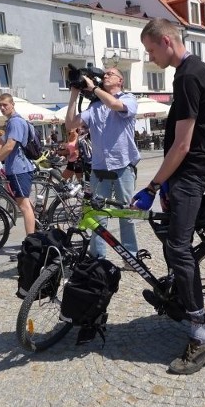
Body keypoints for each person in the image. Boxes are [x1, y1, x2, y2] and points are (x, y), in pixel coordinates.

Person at [137, 18, 205, 374]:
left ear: (167, 41)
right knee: (169, 238)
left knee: (177, 247)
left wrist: (154, 185)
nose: (150, 57)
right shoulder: (191, 70)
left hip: (191, 174)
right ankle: (180, 295)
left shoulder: (188, 75)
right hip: (189, 173)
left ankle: (202, 336)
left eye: (150, 49)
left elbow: (184, 144)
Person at [64, 66, 140, 265]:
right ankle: (98, 258)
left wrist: (94, 88)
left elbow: (115, 105)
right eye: (104, 74)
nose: (105, 76)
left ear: (120, 81)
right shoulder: (95, 108)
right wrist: (74, 94)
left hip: (123, 166)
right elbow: (70, 125)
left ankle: (130, 257)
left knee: (126, 213)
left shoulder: (128, 98)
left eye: (110, 74)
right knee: (97, 215)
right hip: (98, 167)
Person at [0, 93, 36, 260]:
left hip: (19, 168)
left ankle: (30, 246)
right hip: (15, 168)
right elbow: (2, 144)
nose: (2, 107)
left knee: (24, 206)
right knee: (25, 203)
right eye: (0, 105)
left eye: (5, 104)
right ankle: (36, 233)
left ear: (12, 104)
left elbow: (10, 146)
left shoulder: (16, 121)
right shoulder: (10, 122)